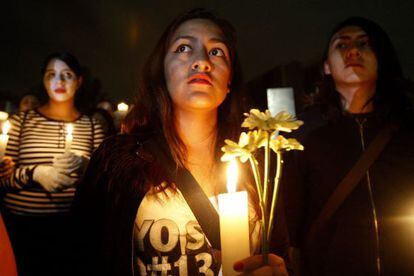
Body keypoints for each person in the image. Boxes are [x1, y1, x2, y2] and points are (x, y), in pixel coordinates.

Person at [73, 9, 288, 276]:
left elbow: (278, 250)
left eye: (217, 51)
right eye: (184, 48)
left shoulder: (258, 165)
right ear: (161, 71)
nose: (202, 62)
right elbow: (82, 256)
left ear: (230, 78)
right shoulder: (118, 160)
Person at [283, 17, 414, 275]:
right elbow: (292, 223)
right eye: (342, 45)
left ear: (381, 57)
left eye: (364, 44)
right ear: (327, 67)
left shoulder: (408, 130)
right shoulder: (305, 137)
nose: (353, 50)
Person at [0, 52, 105, 276]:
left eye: (67, 75)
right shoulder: (22, 121)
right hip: (22, 228)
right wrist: (34, 173)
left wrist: (86, 166)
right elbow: (4, 179)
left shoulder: (93, 126)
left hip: (72, 229)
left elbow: (103, 183)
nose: (59, 82)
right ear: (44, 80)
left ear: (79, 81)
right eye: (51, 75)